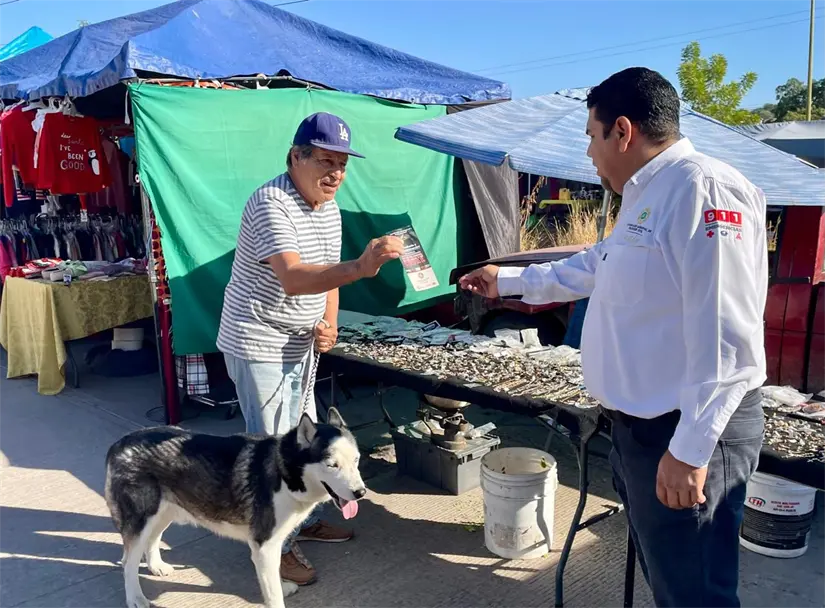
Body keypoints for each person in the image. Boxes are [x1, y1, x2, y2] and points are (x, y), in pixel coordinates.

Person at [460, 67, 767, 608]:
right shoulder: (648, 196)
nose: (589, 154)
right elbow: (592, 266)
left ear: (622, 131)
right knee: (670, 582)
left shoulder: (703, 188)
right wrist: (504, 278)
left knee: (696, 593)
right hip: (642, 431)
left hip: (687, 429)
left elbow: (727, 335)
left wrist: (691, 450)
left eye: (590, 137)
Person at [217, 112, 404, 587]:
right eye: (325, 160)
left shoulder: (330, 207)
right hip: (258, 339)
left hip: (302, 341)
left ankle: (298, 518)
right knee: (272, 451)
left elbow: (326, 277)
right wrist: (362, 268)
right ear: (294, 157)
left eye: (342, 163)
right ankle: (273, 545)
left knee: (307, 443)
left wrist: (330, 323)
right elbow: (296, 277)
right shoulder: (270, 203)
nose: (335, 173)